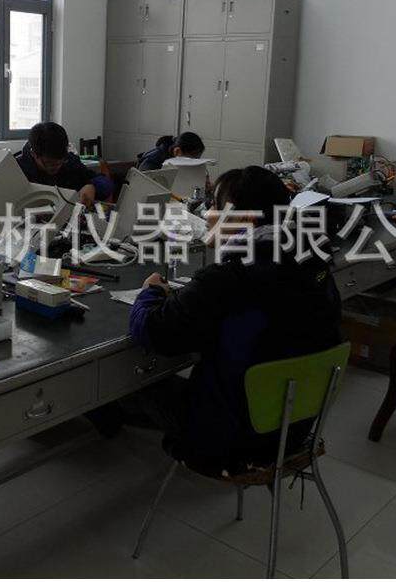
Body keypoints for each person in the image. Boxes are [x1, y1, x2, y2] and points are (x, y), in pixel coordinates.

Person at [94, 166, 342, 475]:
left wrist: (150, 293)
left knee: (126, 383)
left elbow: (156, 332)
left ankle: (101, 433)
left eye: (215, 206)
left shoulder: (230, 278)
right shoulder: (313, 264)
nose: (207, 214)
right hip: (294, 425)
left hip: (236, 437)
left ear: (245, 220)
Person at [16, 122, 114, 209]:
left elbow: (105, 183)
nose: (56, 167)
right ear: (33, 154)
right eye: (49, 163)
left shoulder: (70, 161)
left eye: (60, 161)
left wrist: (92, 186)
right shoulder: (17, 169)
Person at [137, 131, 205, 172]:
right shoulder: (151, 163)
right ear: (177, 151)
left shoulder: (172, 158)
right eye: (191, 160)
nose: (193, 164)